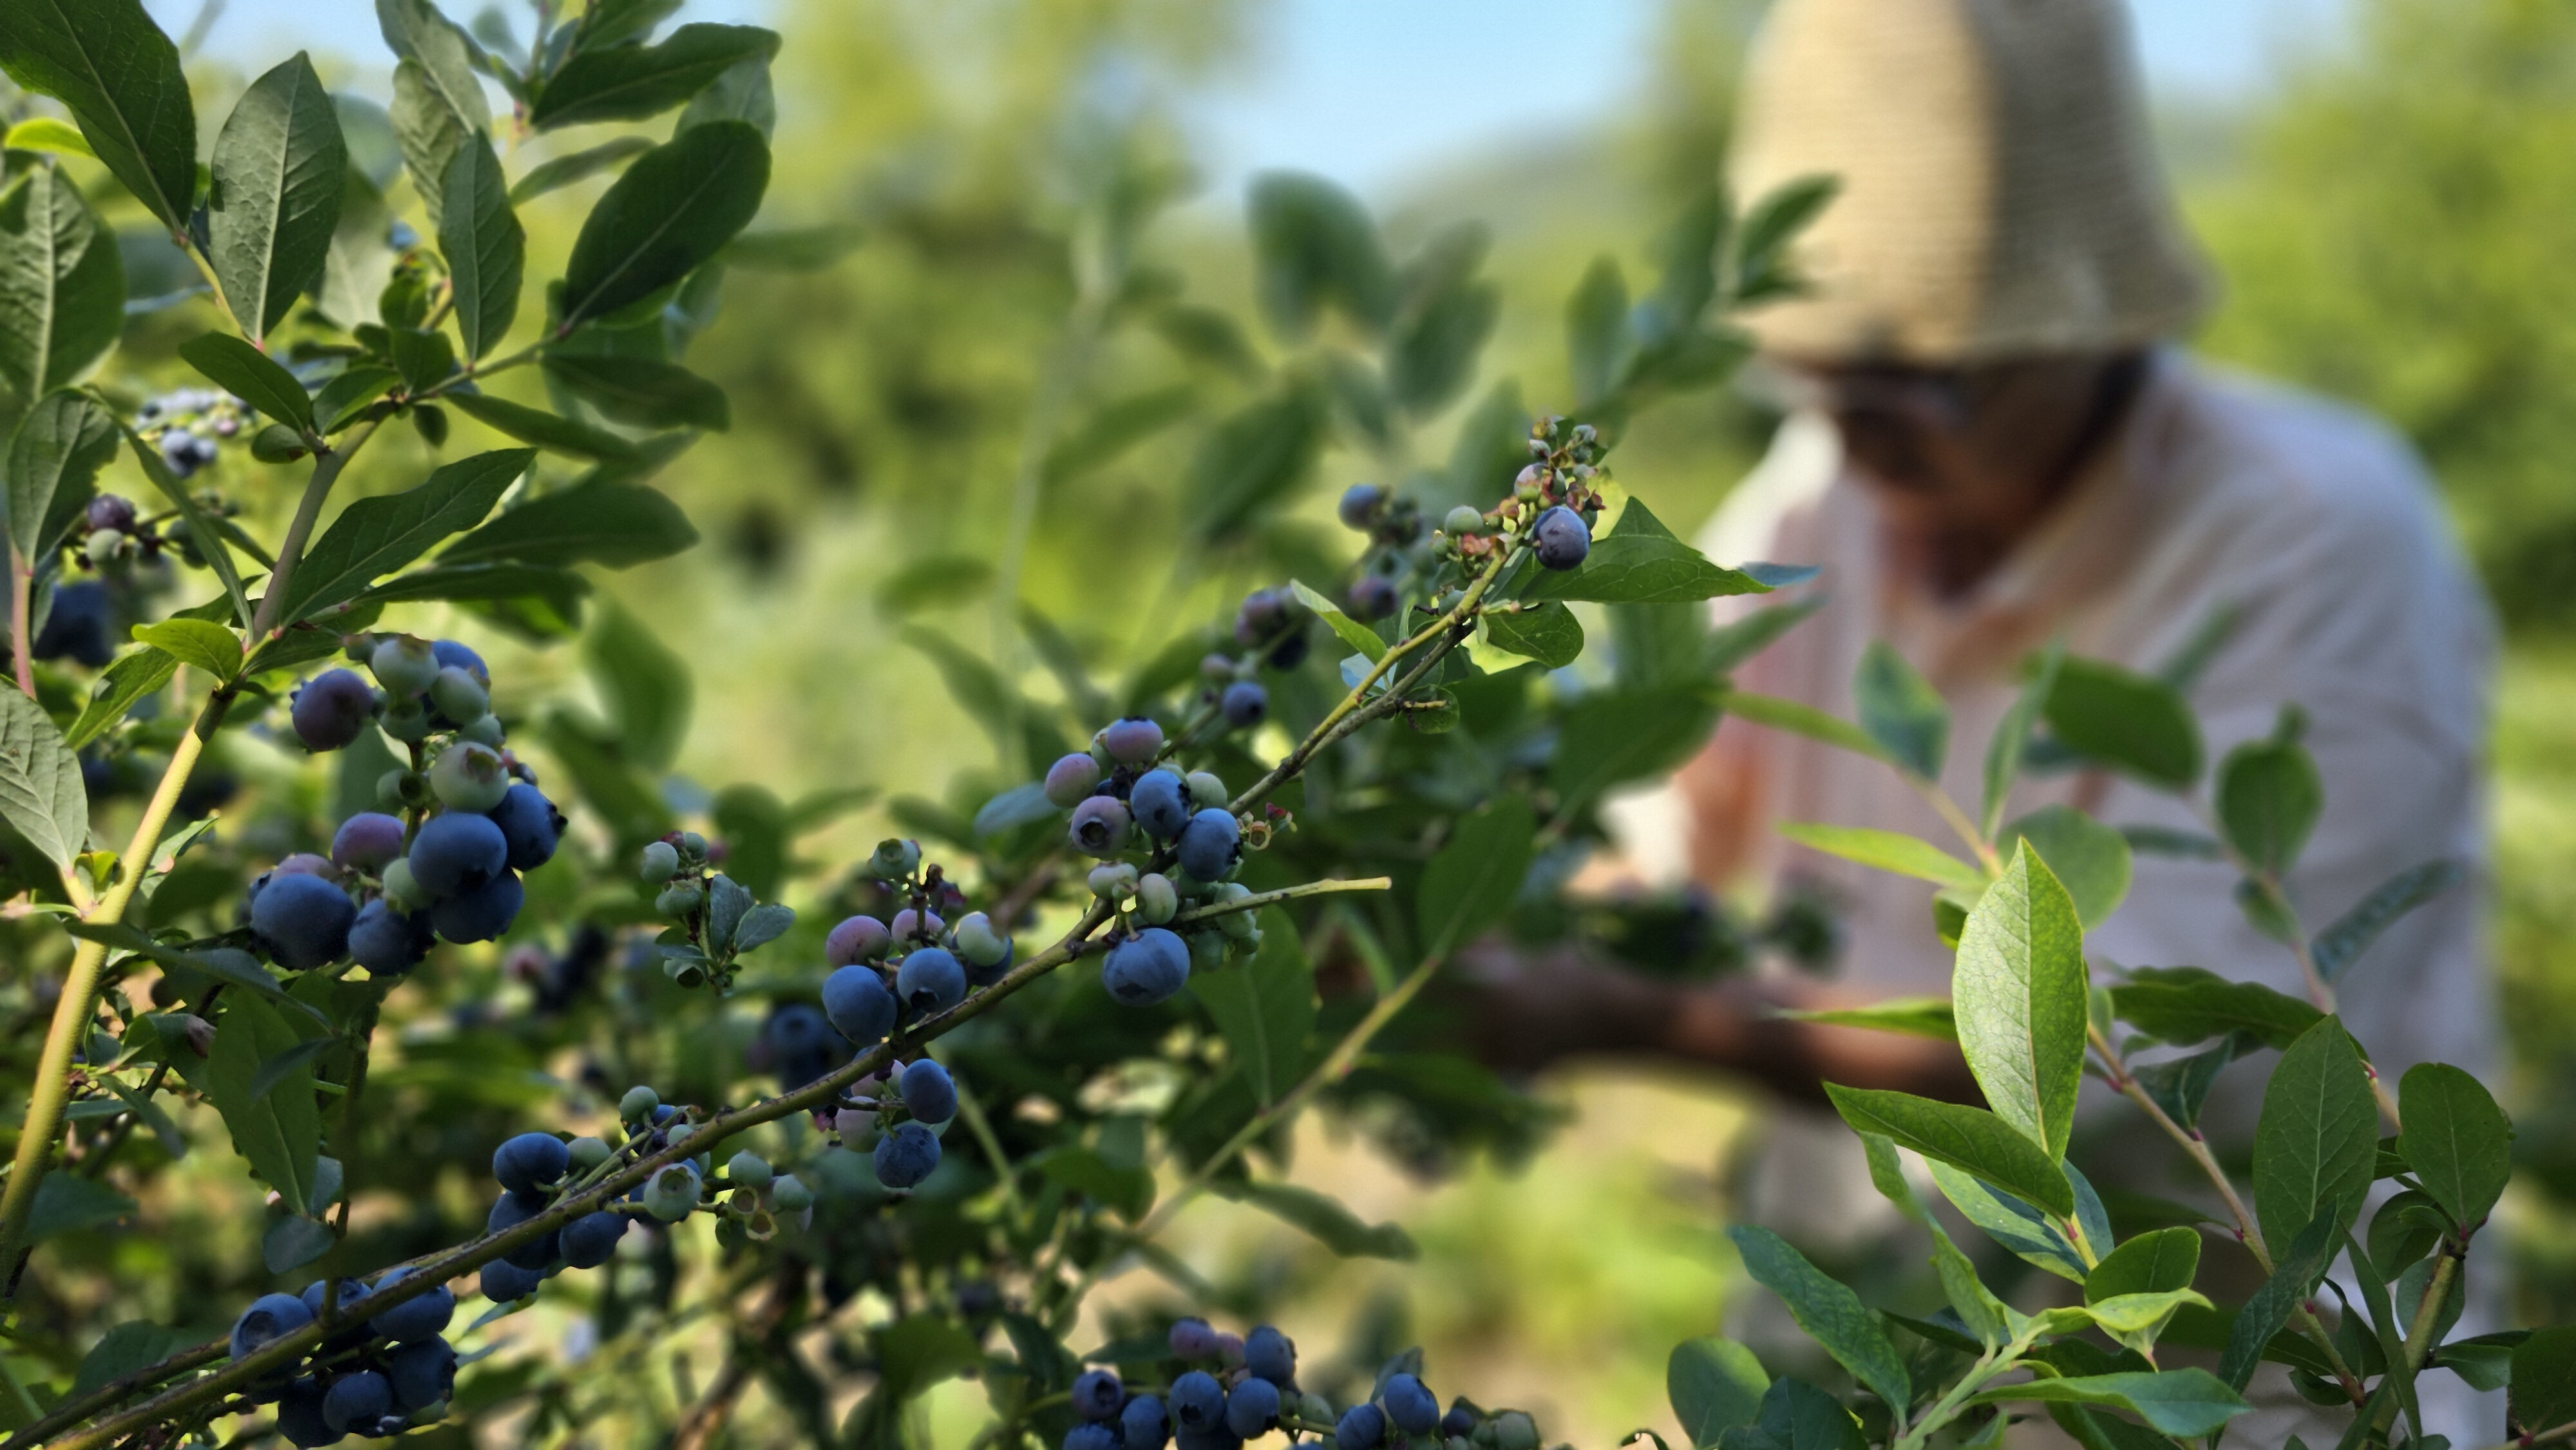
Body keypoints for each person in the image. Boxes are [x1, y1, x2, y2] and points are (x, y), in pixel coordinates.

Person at [1462, 0, 2502, 1442]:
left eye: (1929, 374)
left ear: (2092, 323)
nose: (1862, 420)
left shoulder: (2315, 536)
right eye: (1820, 367)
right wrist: (1469, 913)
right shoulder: (1813, 487)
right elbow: (1651, 819)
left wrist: (1637, 1013)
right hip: (1865, 1362)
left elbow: (2175, 1074)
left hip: (2231, 1394)